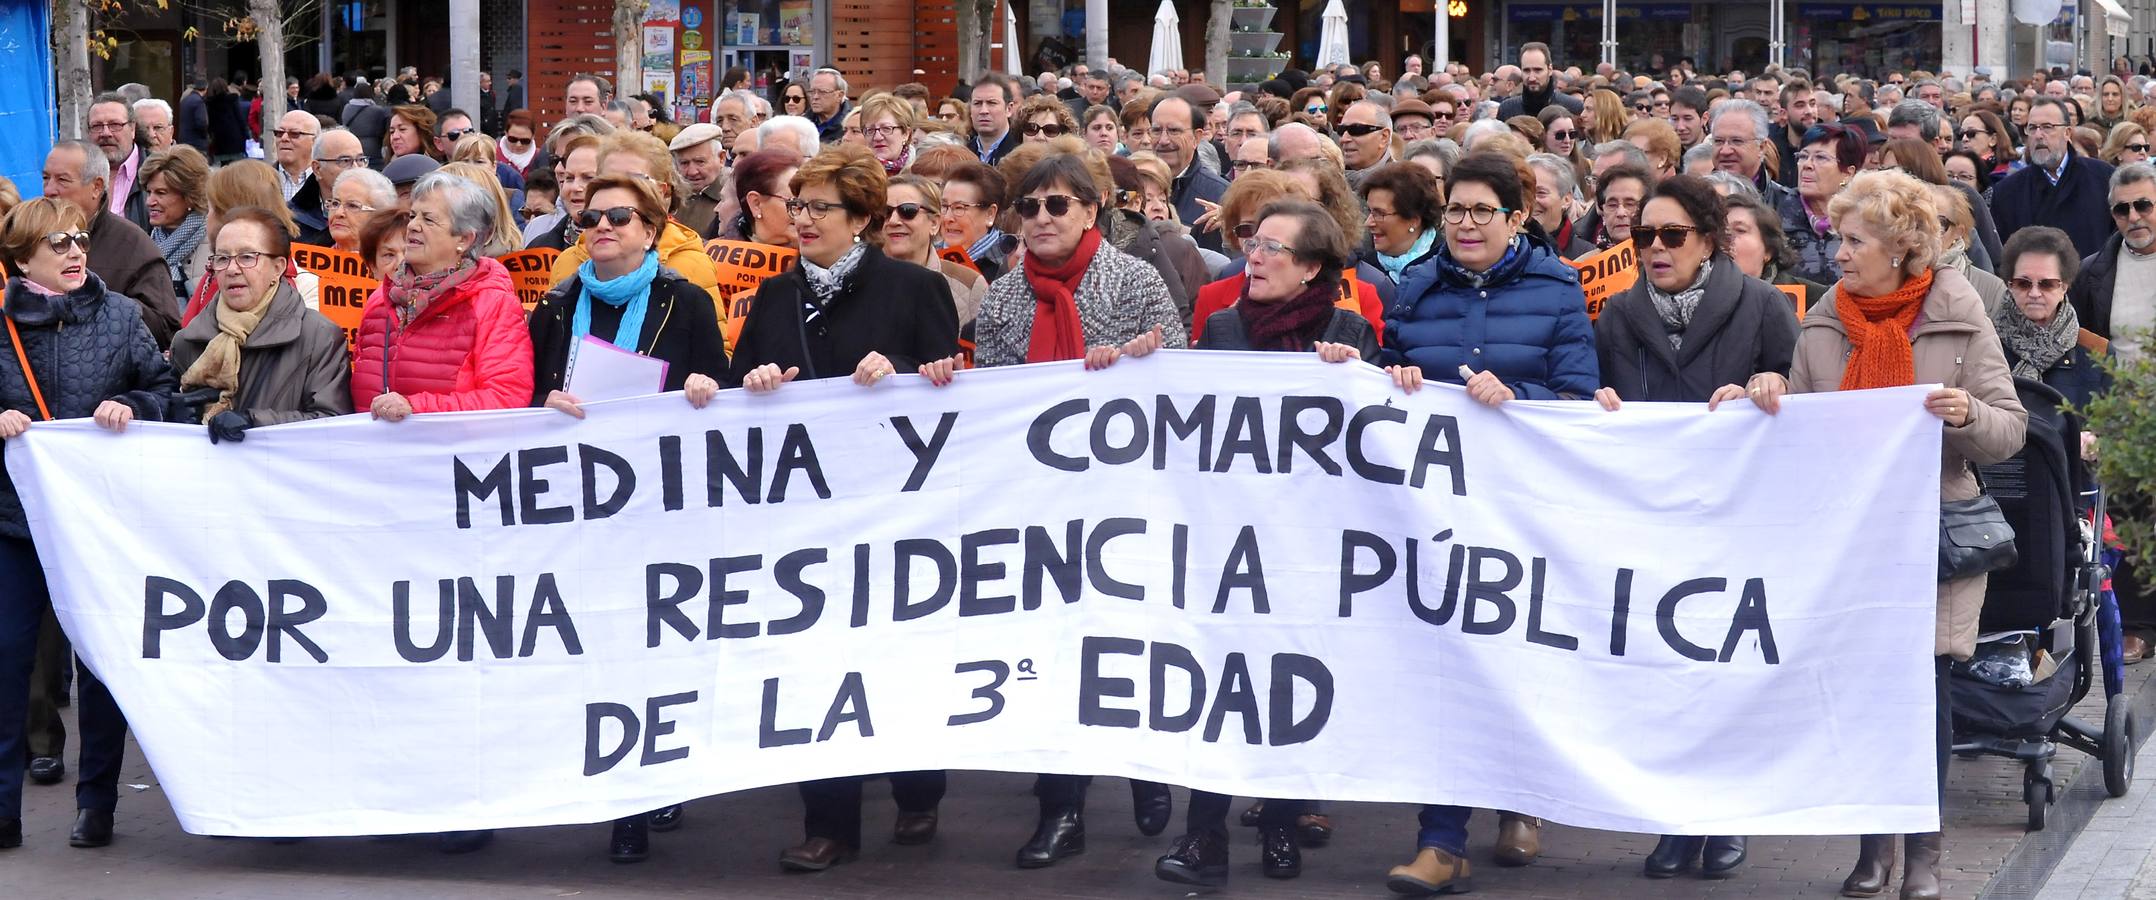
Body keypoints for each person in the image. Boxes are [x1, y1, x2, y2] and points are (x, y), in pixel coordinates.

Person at [1728, 169, 2024, 900]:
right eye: (1838, 238)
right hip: (1847, 538)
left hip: (1933, 534)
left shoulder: (1959, 312)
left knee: (1925, 692)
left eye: (1854, 240)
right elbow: (1800, 419)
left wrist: (1965, 415)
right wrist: (1767, 392)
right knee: (1860, 691)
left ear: (1901, 247)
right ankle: (1873, 847)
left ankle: (1923, 852)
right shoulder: (1826, 316)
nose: (1838, 253)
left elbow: (2010, 430)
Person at [722, 148, 959, 873]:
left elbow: (948, 387)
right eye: (797, 206)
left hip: (894, 511)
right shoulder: (773, 295)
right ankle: (828, 823)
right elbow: (736, 387)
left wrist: (906, 371)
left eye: (819, 208)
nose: (803, 219)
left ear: (860, 219)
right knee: (816, 664)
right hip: (804, 513)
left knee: (895, 657)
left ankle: (918, 788)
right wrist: (757, 379)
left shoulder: (915, 288)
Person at [1380, 155, 1598, 897]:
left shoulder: (1557, 289)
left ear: (1516, 218)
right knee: (1447, 665)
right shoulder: (1416, 287)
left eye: (1482, 211)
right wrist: (1391, 376)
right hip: (1437, 509)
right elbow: (1384, 372)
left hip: (1520, 508)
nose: (1466, 224)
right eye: (1456, 211)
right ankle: (1440, 840)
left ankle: (1519, 801)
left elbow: (1578, 395)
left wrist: (1519, 397)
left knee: (1515, 656)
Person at [969, 154, 1185, 869]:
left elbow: (1181, 378)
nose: (1041, 219)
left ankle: (1147, 767)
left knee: (1129, 640)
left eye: (1057, 205)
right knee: (1055, 652)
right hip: (1039, 501)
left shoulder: (1136, 279)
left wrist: (1137, 362)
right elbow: (995, 401)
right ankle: (1062, 808)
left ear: (1092, 211)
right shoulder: (1004, 296)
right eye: (1029, 208)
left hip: (1125, 498)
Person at [1161, 203, 1377, 891]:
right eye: (1253, 243)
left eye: (1273, 248)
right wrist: (1139, 366)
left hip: (1310, 543)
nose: (1254, 256)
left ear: (1312, 267)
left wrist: (1358, 378)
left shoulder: (1351, 333)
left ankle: (1281, 821)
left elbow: (1378, 437)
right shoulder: (1223, 329)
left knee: (1288, 682)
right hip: (1230, 539)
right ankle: (1204, 835)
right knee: (1218, 682)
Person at [0, 197, 178, 852]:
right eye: (58, 243)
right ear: (23, 261)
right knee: (8, 659)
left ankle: (96, 802)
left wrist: (132, 404)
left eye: (79, 239)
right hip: (15, 523)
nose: (76, 251)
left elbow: (168, 391)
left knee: (100, 664)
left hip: (99, 526)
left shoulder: (121, 316)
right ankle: (3, 809)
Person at [350, 171, 536, 428]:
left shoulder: (493, 304)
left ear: (464, 239)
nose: (413, 226)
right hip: (374, 451)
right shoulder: (380, 300)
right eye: (413, 215)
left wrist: (417, 408)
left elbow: (507, 397)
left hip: (454, 452)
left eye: (428, 219)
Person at [169, 205, 353, 438]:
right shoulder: (188, 340)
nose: (232, 269)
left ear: (278, 268)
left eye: (247, 257)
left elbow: (332, 424)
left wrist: (253, 422)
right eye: (222, 258)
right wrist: (169, 411)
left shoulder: (319, 337)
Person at [44, 140, 181, 346]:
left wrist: (97, 303)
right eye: (46, 178)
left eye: (62, 180)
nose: (49, 190)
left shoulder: (133, 244)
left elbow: (165, 327)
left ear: (96, 187)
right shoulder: (32, 237)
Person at [1997, 225, 2111, 411]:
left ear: (2064, 287)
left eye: (2047, 284)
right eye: (2023, 283)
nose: (2034, 293)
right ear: (2010, 285)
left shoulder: (2098, 352)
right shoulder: (1986, 345)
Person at [1991, 97, 2117, 260]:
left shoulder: (2104, 178)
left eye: (2047, 127)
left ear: (2067, 133)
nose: (2038, 135)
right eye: (2032, 128)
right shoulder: (2007, 192)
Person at [884, 173, 985, 328]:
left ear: (934, 223)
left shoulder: (970, 284)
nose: (893, 221)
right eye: (885, 212)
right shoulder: (856, 279)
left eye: (908, 211)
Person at [1781, 122, 1867, 285]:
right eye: (1803, 156)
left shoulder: (1866, 219)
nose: (1807, 165)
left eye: (1820, 158)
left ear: (1848, 172)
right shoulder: (1775, 211)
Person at [1723, 194, 1824, 312]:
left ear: (1768, 250)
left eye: (1740, 230)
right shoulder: (1704, 294)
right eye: (1720, 230)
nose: (1725, 237)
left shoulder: (1815, 300)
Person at [141, 146, 212, 301]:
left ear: (189, 197)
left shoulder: (216, 245)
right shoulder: (146, 244)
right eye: (149, 192)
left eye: (161, 193)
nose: (149, 202)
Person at [939, 162, 1014, 280]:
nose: (947, 218)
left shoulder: (1010, 264)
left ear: (990, 214)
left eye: (959, 208)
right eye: (944, 206)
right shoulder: (925, 257)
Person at [1526, 153, 1595, 258]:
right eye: (1525, 192)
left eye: (1541, 193)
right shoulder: (1505, 247)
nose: (1531, 200)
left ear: (1566, 199)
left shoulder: (1588, 255)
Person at [1496, 42, 1582, 118]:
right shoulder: (1507, 109)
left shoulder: (1573, 107)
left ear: (1550, 69)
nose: (1532, 78)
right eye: (1526, 70)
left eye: (1538, 70)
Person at [325, 168, 394, 255]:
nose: (338, 213)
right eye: (335, 204)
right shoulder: (311, 258)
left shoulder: (393, 262)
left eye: (352, 206)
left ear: (379, 217)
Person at [1591, 163, 1653, 249]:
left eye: (1630, 204)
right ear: (1602, 211)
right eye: (1612, 205)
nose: (1620, 213)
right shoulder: (1590, 257)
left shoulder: (1661, 255)